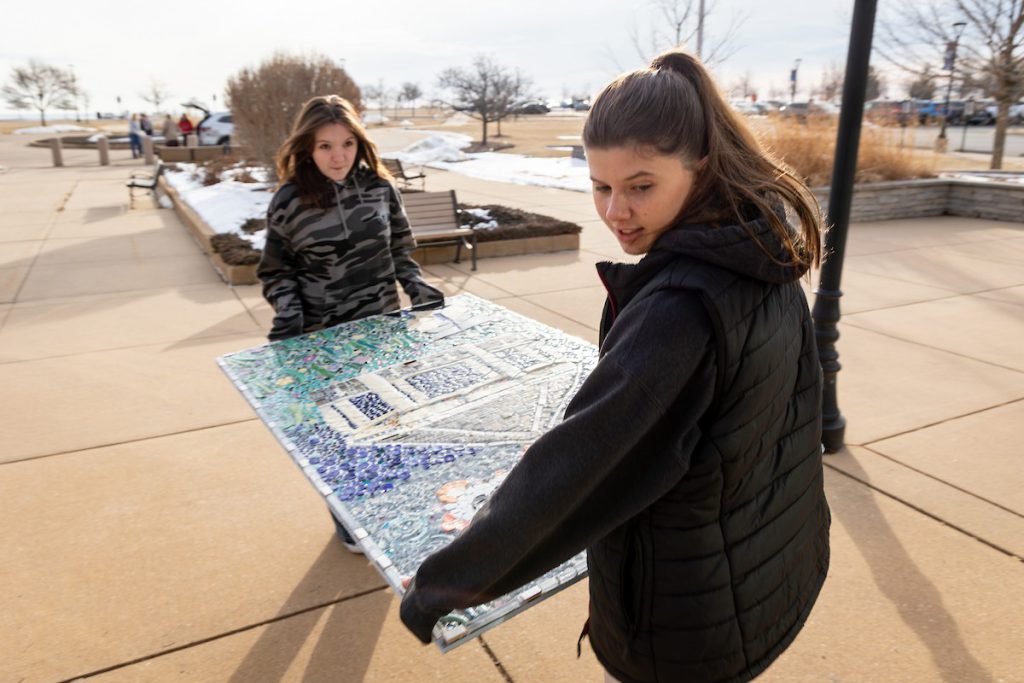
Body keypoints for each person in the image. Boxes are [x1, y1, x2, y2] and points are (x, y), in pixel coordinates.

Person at [400, 49, 830, 683]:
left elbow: (574, 468)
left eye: (640, 186)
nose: (615, 212)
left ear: (701, 166)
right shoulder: (760, 247)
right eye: (601, 186)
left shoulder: (681, 309)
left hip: (683, 620)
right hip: (768, 569)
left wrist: (439, 586)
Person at [259, 94, 445, 551]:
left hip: (382, 328)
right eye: (325, 146)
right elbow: (275, 272)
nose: (338, 156)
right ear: (308, 148)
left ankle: (393, 505)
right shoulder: (289, 200)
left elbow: (400, 248)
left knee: (392, 420)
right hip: (322, 338)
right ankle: (349, 519)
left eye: (347, 144)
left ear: (360, 144)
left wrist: (415, 284)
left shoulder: (380, 188)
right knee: (341, 433)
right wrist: (289, 312)